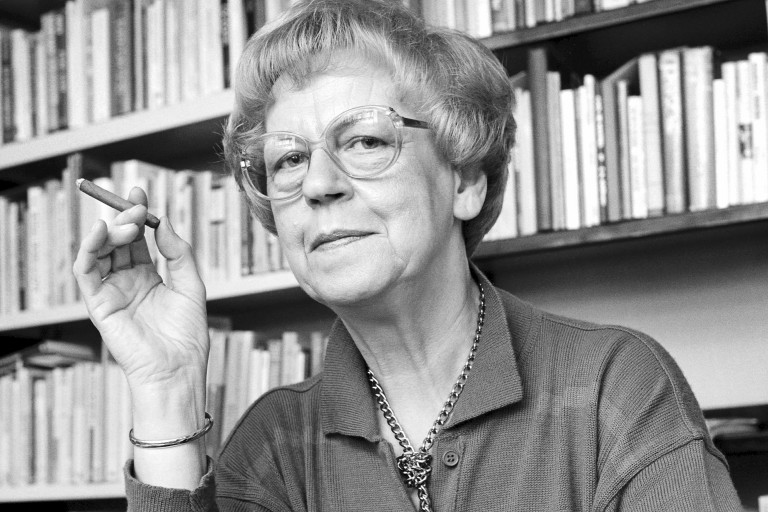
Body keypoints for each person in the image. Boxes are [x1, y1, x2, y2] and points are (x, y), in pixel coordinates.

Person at [72, 0, 744, 510]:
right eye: (288, 159)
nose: (318, 184)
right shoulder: (274, 442)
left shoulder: (614, 387)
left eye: (365, 140)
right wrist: (166, 390)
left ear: (465, 179)